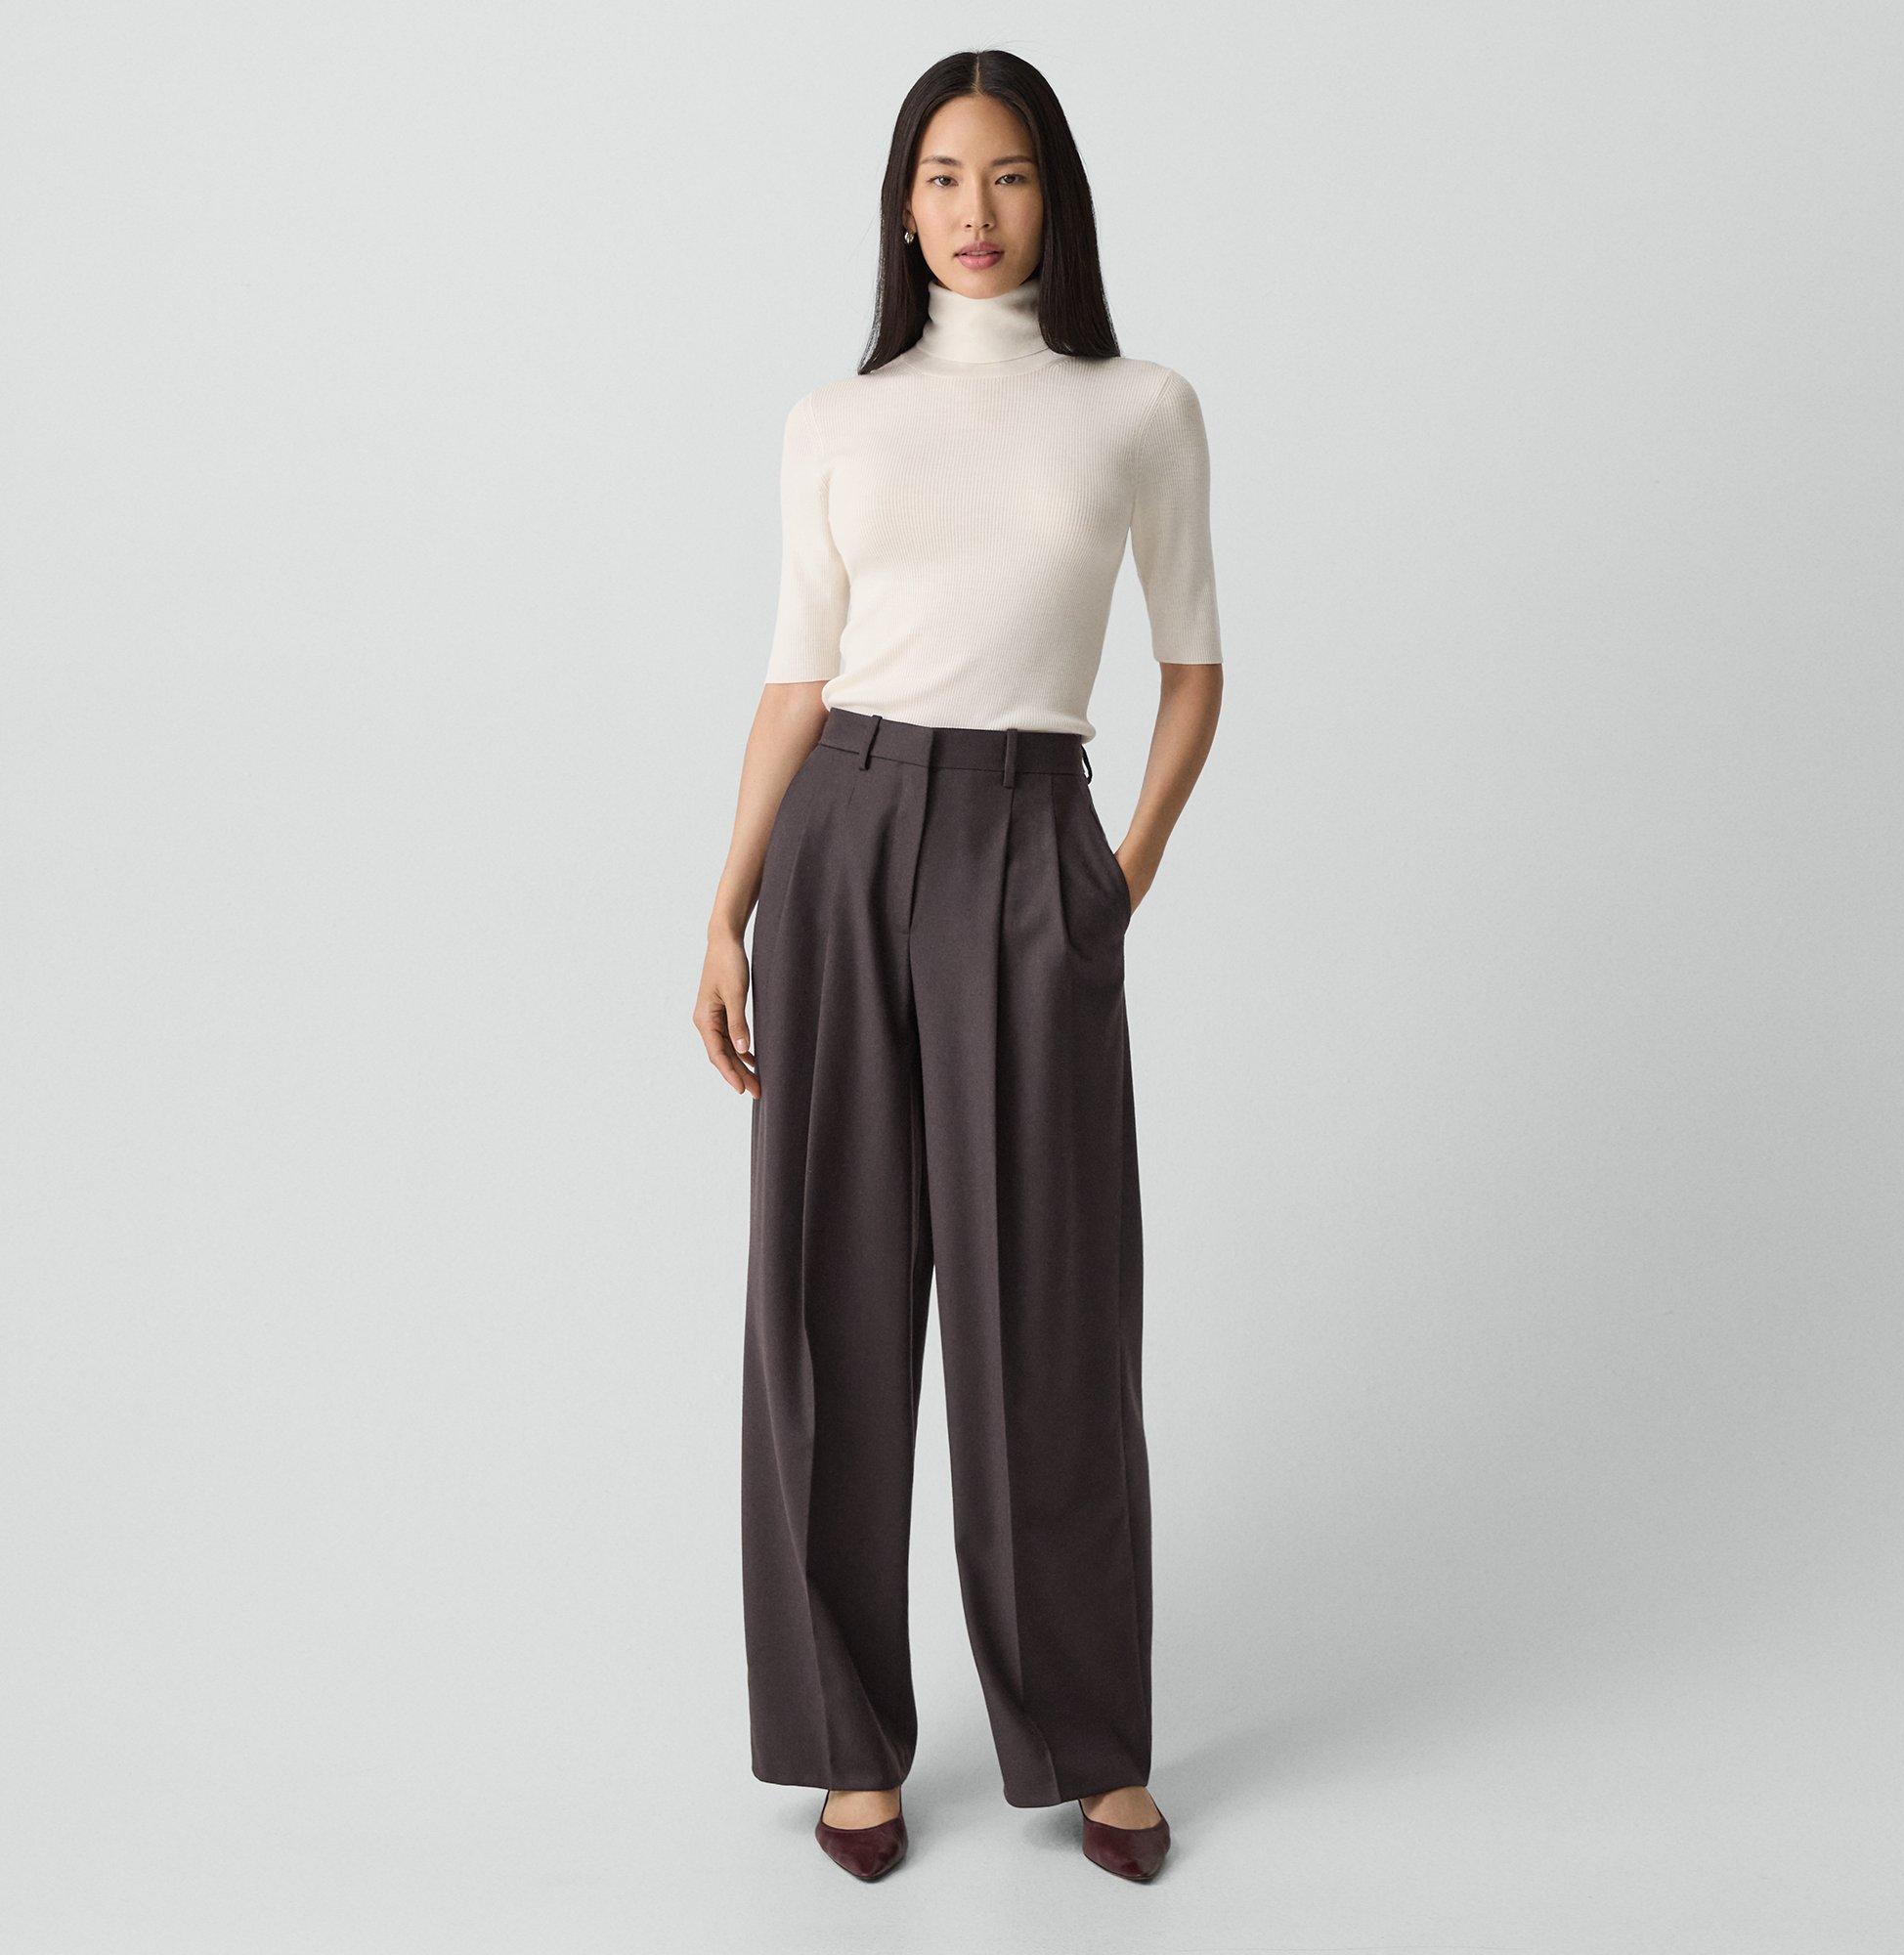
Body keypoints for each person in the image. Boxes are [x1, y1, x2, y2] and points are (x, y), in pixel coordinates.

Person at [695, 49, 1224, 1885]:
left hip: (1027, 846)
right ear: (901, 205)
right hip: (842, 837)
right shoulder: (837, 420)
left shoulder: (1138, 408)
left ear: (1052, 195)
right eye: (940, 177)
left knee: (1050, 1316)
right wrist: (728, 903)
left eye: (1005, 176)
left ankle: (1090, 1740)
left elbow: (1195, 664)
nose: (973, 212)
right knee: (829, 1307)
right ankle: (849, 1744)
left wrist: (1115, 879)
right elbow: (795, 674)